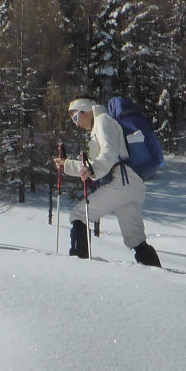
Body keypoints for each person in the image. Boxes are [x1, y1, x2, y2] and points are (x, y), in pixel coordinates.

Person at [55, 98, 161, 265]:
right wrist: (67, 165)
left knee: (79, 214)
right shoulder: (102, 125)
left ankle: (78, 264)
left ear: (86, 110)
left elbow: (109, 153)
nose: (76, 124)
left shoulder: (103, 121)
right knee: (135, 239)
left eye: (76, 117)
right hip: (131, 184)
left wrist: (93, 169)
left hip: (122, 181)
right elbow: (94, 163)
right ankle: (160, 276)